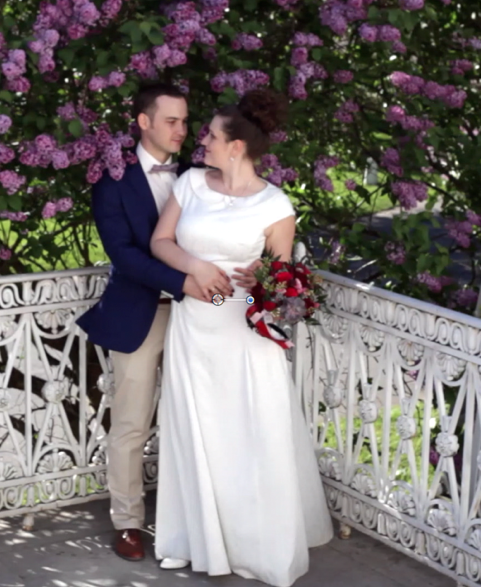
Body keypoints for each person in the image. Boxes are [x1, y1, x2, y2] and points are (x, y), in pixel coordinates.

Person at [149, 89, 334, 586]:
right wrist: (196, 266)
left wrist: (263, 281)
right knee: (197, 431)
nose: (201, 141)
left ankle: (255, 546)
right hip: (196, 319)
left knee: (248, 434)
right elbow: (160, 241)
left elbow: (283, 280)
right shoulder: (190, 183)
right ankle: (195, 540)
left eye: (211, 135)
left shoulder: (275, 206)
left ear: (236, 147)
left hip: (243, 328)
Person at [76, 83, 258, 563]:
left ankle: (209, 522)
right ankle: (128, 522)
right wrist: (184, 281)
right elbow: (124, 255)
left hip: (202, 317)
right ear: (144, 122)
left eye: (185, 121)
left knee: (205, 417)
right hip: (144, 314)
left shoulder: (201, 176)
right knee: (132, 422)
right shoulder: (112, 181)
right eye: (172, 121)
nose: (183, 130)